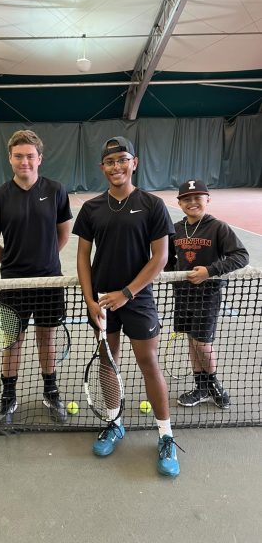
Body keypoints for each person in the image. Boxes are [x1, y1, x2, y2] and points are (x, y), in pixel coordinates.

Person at [73, 136, 181, 477]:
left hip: (137, 299)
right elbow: (82, 256)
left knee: (149, 363)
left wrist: (127, 293)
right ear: (102, 168)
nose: (117, 166)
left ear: (134, 162)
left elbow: (160, 258)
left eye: (123, 159)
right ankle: (114, 422)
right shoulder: (91, 208)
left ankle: (165, 436)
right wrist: (90, 299)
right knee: (108, 362)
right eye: (110, 162)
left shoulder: (151, 205)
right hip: (103, 300)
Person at [0, 129, 72, 424]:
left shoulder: (56, 190)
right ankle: (8, 397)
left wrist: (45, 261)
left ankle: (51, 391)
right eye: (18, 156)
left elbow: (63, 234)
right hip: (13, 284)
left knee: (46, 339)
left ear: (39, 159)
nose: (24, 161)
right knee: (13, 341)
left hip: (49, 282)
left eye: (30, 156)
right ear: (10, 159)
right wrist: (13, 263)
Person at [166, 179, 249, 409]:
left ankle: (213, 385)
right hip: (182, 295)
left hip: (208, 295)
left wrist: (209, 271)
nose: (192, 202)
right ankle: (201, 387)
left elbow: (241, 256)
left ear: (207, 200)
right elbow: (168, 260)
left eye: (197, 198)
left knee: (203, 343)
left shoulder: (218, 227)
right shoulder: (176, 229)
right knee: (192, 341)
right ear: (180, 203)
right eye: (187, 199)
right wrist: (170, 274)